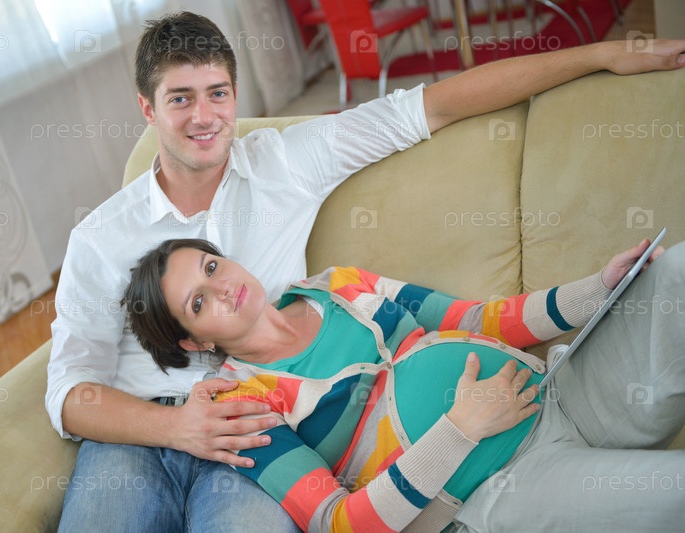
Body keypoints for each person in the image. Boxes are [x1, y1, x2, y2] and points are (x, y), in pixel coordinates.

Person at [46, 9, 685, 532]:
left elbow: (432, 106)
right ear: (147, 108)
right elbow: (68, 391)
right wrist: (175, 427)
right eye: (179, 99)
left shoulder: (290, 175)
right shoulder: (100, 238)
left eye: (217, 93)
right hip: (142, 430)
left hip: (246, 440)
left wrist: (600, 56)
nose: (204, 116)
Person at [123, 237, 685, 533]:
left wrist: (599, 289)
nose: (222, 288)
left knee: (676, 272)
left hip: (558, 390)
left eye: (211, 268)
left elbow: (473, 319)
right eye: (199, 302)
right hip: (501, 486)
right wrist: (460, 430)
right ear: (193, 341)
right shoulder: (241, 404)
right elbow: (336, 523)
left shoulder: (337, 285)